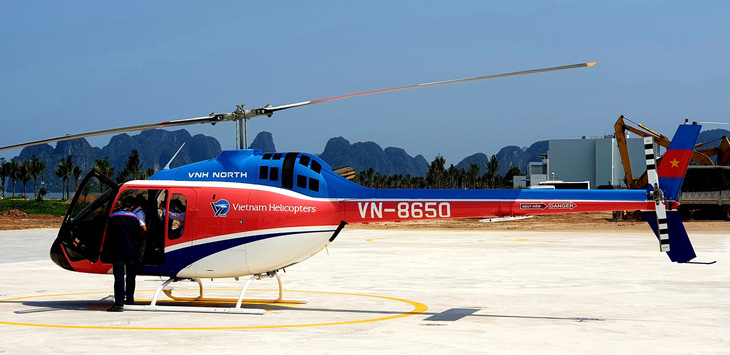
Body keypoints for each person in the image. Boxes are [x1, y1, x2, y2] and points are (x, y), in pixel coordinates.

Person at [101, 196, 143, 312]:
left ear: (121, 204)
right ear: (132, 206)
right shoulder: (135, 218)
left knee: (119, 277)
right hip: (132, 250)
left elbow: (108, 234)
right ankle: (130, 299)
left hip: (118, 250)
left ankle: (119, 303)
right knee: (131, 276)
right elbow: (139, 231)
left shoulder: (114, 216)